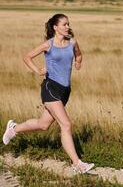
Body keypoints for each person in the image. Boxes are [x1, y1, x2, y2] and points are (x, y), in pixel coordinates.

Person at [2, 13, 94, 174]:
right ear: (55, 27)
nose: (67, 27)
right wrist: (38, 70)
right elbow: (27, 57)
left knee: (43, 125)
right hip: (50, 88)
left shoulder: (72, 43)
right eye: (64, 24)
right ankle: (77, 163)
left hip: (65, 91)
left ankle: (14, 128)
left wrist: (78, 62)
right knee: (66, 124)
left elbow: (79, 54)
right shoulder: (48, 45)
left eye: (68, 24)